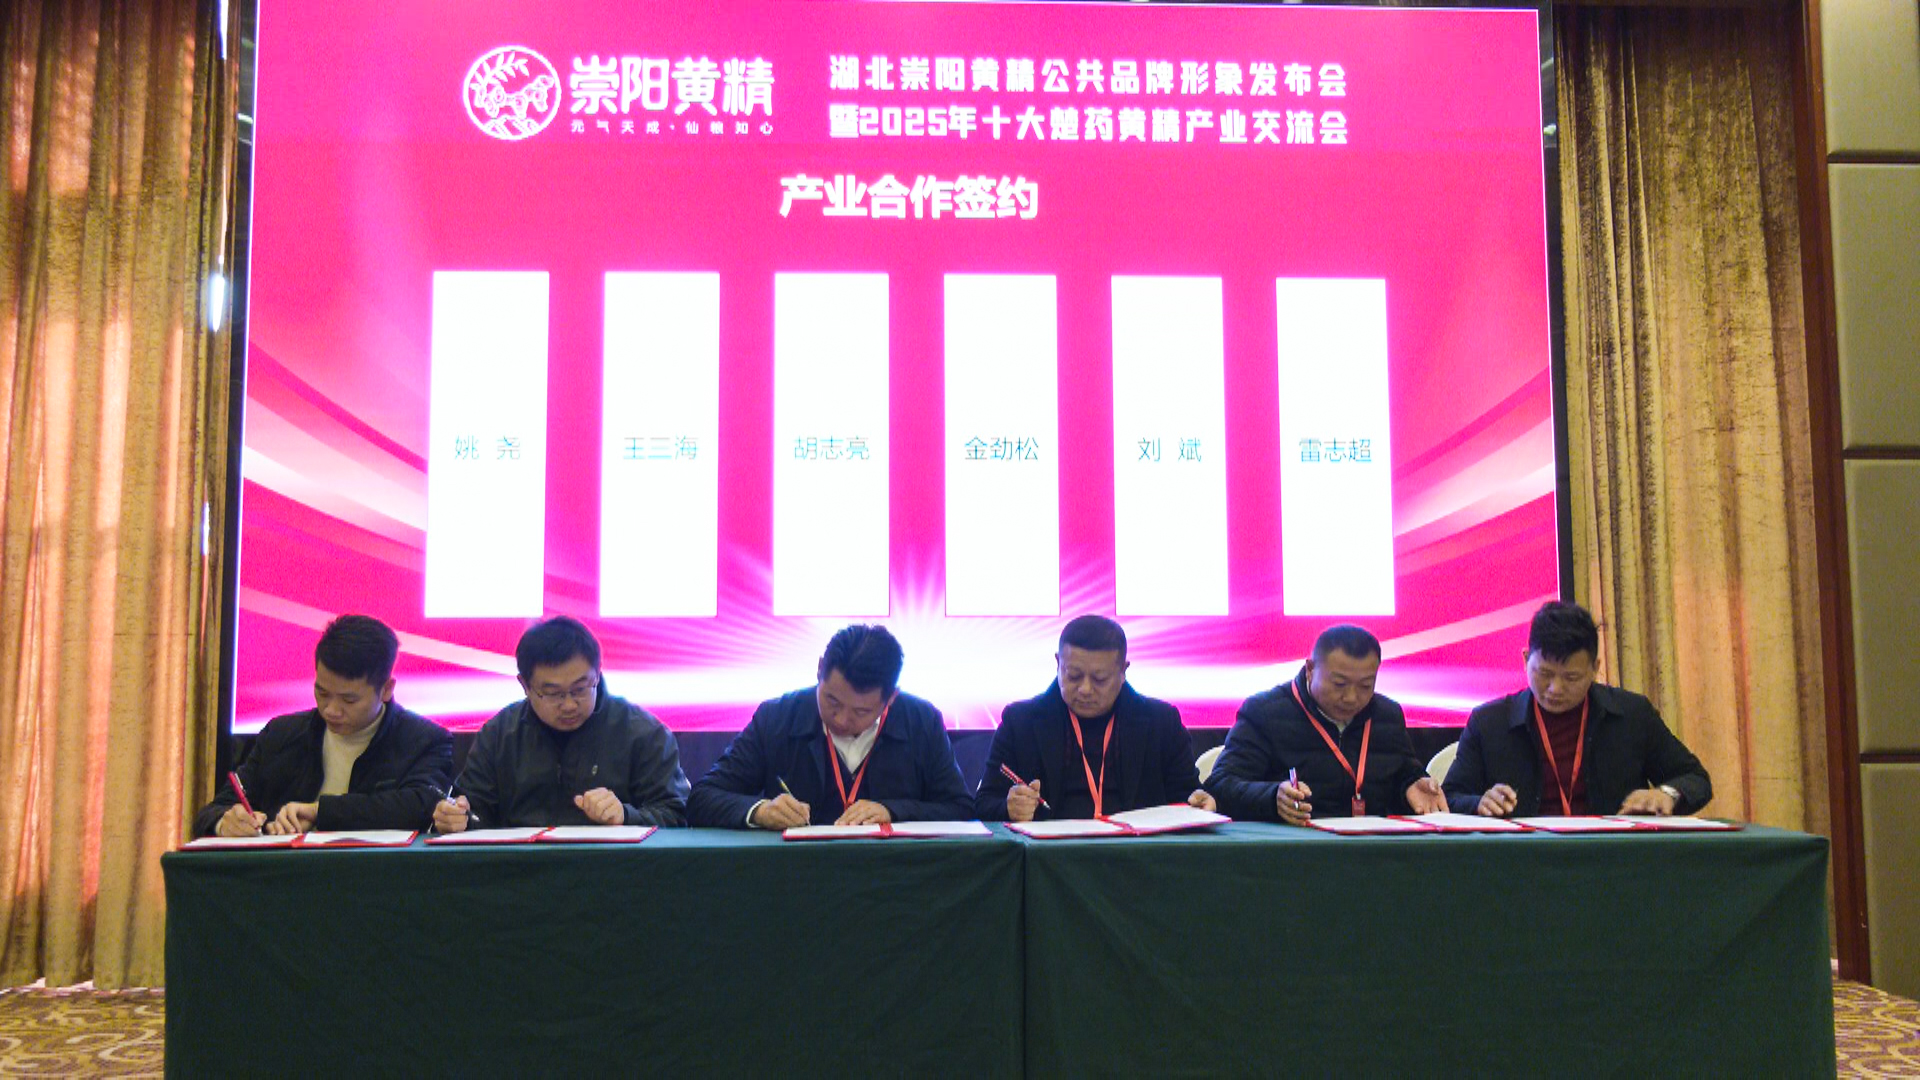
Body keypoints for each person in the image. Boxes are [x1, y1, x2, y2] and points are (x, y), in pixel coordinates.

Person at [1443, 601, 1712, 818]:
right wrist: (1479, 803)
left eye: (1571, 677)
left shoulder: (1632, 714)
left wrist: (1666, 794)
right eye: (1544, 674)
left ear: (1595, 668)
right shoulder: (1489, 723)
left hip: (1613, 856)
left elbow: (1696, 779)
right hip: (1522, 861)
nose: (1555, 689)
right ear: (1525, 660)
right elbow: (1450, 796)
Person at [687, 624, 972, 828]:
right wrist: (761, 811)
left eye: (861, 711)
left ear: (891, 698)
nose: (841, 719)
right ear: (820, 668)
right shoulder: (777, 717)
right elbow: (702, 798)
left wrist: (894, 811)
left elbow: (960, 808)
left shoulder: (922, 721)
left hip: (894, 877)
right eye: (831, 701)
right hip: (797, 877)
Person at [194, 615, 452, 837]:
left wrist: (320, 812)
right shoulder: (281, 734)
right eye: (322, 693)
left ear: (386, 689)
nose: (331, 710)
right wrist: (225, 822)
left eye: (349, 700)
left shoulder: (425, 741)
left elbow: (421, 805)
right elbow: (213, 811)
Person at [432, 616, 689, 833]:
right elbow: (473, 809)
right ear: (525, 685)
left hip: (612, 871)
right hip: (521, 870)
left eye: (580, 689)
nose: (569, 705)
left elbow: (677, 815)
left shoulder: (642, 732)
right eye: (553, 693)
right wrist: (458, 819)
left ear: (598, 674)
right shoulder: (500, 735)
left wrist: (626, 816)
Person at [976, 615, 1214, 822]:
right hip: (1050, 854)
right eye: (1073, 676)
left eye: (1099, 679)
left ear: (1123, 671)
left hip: (1138, 852)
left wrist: (1201, 804)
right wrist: (1009, 808)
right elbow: (983, 803)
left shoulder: (1161, 723)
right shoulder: (1021, 722)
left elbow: (1188, 796)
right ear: (1058, 664)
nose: (1085, 689)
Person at [1205, 624, 1446, 824]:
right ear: (1310, 669)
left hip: (1372, 849)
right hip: (1295, 849)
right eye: (1339, 684)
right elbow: (1220, 786)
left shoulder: (1387, 715)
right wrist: (1272, 798)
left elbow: (1404, 772)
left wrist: (1412, 785)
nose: (1351, 698)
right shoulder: (1265, 712)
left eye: (1365, 685)